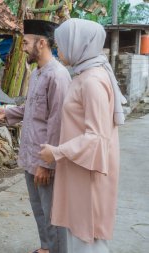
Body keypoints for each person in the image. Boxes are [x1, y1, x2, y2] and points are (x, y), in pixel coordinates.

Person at [39, 18, 126, 253]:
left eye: (61, 44)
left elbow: (96, 137)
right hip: (80, 167)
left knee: (88, 239)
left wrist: (56, 152)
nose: (58, 50)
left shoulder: (92, 81)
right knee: (79, 234)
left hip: (88, 171)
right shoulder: (84, 74)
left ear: (78, 44)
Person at [0, 20, 71, 253]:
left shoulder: (58, 76)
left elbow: (58, 123)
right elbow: (31, 109)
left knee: (52, 211)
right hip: (30, 154)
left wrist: (47, 164)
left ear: (42, 43)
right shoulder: (37, 73)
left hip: (44, 158)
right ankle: (46, 247)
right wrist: (5, 112)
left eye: (26, 43)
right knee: (38, 208)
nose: (23, 47)